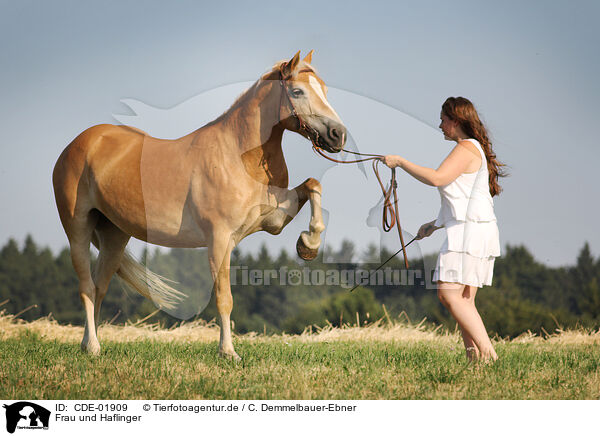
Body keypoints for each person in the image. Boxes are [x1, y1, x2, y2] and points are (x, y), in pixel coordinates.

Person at [380, 96, 505, 362]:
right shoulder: (474, 149)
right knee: (464, 301)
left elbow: (438, 178)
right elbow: (466, 195)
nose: (440, 125)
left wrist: (401, 162)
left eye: (443, 120)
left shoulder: (466, 148)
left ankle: (490, 356)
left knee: (448, 294)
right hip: (475, 230)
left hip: (469, 234)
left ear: (456, 121)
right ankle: (476, 363)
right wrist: (435, 225)